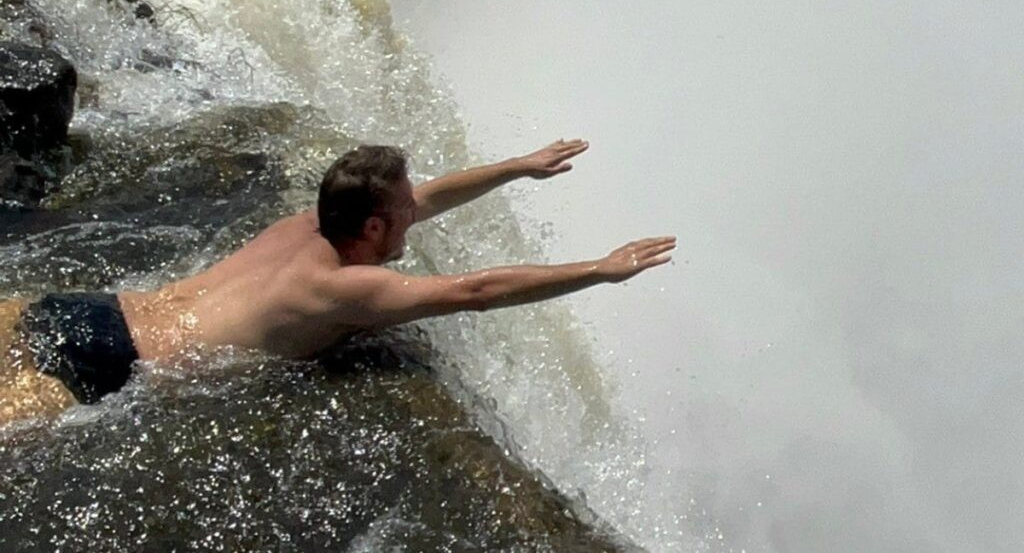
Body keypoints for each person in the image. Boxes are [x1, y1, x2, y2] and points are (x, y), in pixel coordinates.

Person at [0, 139, 675, 424]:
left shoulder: (311, 222)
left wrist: (516, 168)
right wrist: (599, 269)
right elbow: (474, 291)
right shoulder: (340, 288)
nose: (419, 215)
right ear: (377, 227)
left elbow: (431, 193)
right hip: (110, 366)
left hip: (87, 309)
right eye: (406, 213)